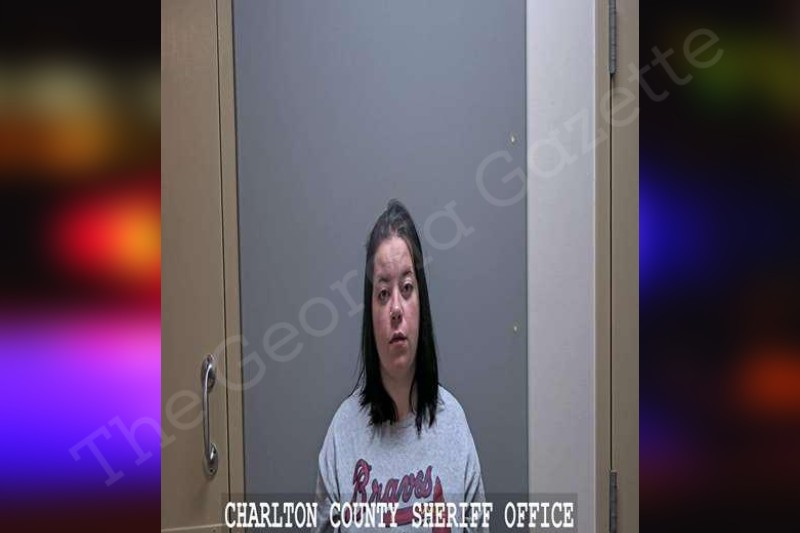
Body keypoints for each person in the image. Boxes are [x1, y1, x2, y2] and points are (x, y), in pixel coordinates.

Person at [315, 200, 487, 532]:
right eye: (383, 293)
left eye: (407, 289)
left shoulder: (454, 429)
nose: (396, 308)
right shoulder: (342, 437)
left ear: (422, 303)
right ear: (371, 314)